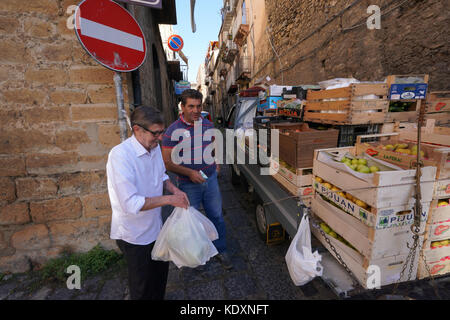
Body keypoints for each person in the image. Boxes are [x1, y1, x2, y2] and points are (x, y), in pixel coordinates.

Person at [106, 106, 190, 300]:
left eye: (162, 132)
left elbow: (160, 176)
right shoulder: (120, 156)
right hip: (134, 235)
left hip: (156, 227)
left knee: (159, 280)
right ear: (137, 130)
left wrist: (174, 189)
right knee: (141, 288)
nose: (160, 138)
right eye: (156, 133)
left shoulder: (153, 147)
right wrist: (170, 200)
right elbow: (130, 203)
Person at [161, 89, 233, 270]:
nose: (195, 110)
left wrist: (216, 162)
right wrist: (189, 173)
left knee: (216, 216)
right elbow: (167, 163)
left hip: (210, 180)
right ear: (182, 107)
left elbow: (215, 143)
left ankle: (221, 250)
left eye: (198, 106)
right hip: (187, 184)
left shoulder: (208, 125)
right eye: (191, 106)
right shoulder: (172, 131)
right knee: (190, 221)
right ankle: (195, 255)